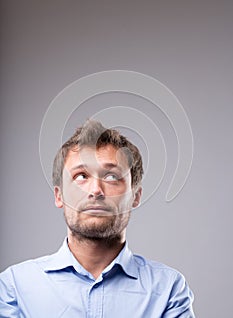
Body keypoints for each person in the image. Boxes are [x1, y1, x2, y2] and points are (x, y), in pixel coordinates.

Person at [0, 120, 195, 317]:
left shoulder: (169, 289)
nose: (96, 191)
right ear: (59, 196)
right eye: (81, 176)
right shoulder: (13, 287)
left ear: (135, 196)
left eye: (111, 176)